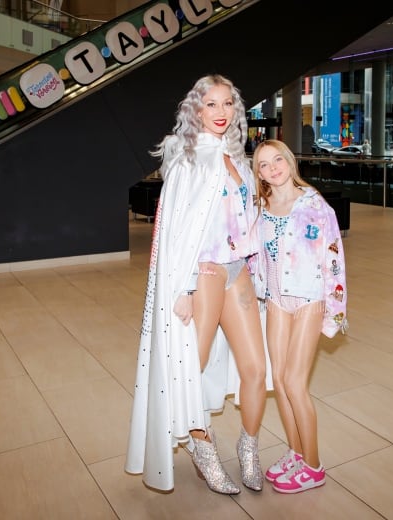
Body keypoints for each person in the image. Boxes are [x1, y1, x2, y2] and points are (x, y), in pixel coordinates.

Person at [125, 74, 268, 495]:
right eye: (211, 104)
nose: (221, 112)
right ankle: (202, 447)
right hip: (204, 273)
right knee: (190, 365)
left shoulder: (239, 160)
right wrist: (184, 287)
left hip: (238, 269)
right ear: (196, 110)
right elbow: (178, 232)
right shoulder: (187, 161)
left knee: (256, 369)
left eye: (227, 104)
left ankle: (249, 447)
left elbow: (249, 221)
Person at [251, 139, 348, 494]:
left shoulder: (315, 206)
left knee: (294, 382)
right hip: (276, 299)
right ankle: (296, 452)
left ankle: (314, 465)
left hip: (309, 297)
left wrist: (334, 313)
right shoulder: (261, 206)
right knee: (279, 380)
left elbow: (334, 259)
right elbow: (253, 255)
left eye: (278, 159)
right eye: (264, 164)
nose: (273, 167)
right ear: (258, 173)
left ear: (290, 162)